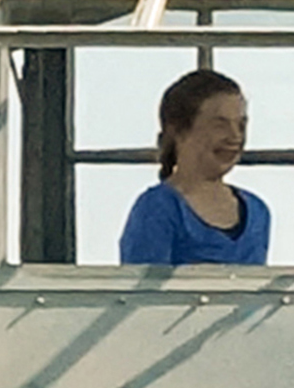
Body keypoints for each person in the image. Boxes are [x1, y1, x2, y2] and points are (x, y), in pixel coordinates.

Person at [113, 66, 272, 267]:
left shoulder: (258, 212)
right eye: (219, 124)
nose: (235, 137)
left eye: (241, 125)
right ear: (179, 131)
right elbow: (142, 294)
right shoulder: (156, 208)